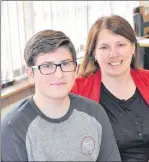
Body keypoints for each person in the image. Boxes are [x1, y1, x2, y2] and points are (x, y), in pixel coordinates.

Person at [71, 15, 149, 161]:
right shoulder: (78, 89)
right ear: (94, 54)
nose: (113, 54)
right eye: (104, 47)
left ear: (133, 48)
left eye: (121, 45)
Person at [1, 30, 121, 161]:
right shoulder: (13, 126)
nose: (59, 74)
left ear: (75, 69)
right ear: (31, 74)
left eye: (65, 64)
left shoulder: (95, 113)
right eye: (47, 66)